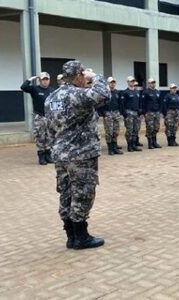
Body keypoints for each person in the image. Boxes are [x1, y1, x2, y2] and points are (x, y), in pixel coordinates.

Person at [44, 60, 110, 250]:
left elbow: (50, 128)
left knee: (66, 193)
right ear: (79, 75)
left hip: (60, 154)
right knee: (82, 193)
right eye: (83, 75)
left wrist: (56, 147)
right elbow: (103, 95)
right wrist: (95, 77)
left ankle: (70, 236)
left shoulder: (51, 98)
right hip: (81, 155)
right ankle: (81, 237)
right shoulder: (78, 95)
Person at [20, 72, 55, 165]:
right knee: (40, 136)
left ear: (49, 80)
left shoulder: (52, 90)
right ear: (39, 80)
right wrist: (31, 79)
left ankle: (48, 155)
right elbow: (23, 87)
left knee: (49, 136)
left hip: (49, 117)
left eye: (46, 80)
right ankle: (41, 157)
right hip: (39, 116)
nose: (45, 82)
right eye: (43, 80)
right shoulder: (35, 89)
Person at [97, 77, 123, 156]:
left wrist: (120, 112)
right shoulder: (105, 93)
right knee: (109, 132)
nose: (112, 84)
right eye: (111, 82)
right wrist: (103, 114)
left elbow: (120, 103)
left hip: (116, 113)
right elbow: (101, 104)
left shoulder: (117, 92)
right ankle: (110, 149)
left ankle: (115, 148)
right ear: (108, 83)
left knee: (116, 131)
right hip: (108, 113)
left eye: (114, 82)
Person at [120, 76, 143, 152]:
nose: (132, 82)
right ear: (128, 82)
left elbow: (140, 102)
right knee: (129, 130)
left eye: (133, 81)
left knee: (136, 129)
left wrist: (140, 110)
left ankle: (134, 144)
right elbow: (122, 104)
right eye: (131, 81)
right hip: (129, 113)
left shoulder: (137, 92)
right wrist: (124, 114)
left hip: (136, 113)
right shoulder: (125, 92)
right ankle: (129, 146)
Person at [141, 78, 162, 149]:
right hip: (149, 112)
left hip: (156, 112)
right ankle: (150, 144)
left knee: (156, 127)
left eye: (154, 82)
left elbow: (159, 102)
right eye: (151, 83)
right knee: (150, 128)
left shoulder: (157, 92)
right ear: (148, 84)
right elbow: (142, 103)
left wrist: (160, 111)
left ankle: (154, 142)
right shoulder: (145, 92)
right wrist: (144, 113)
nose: (153, 84)